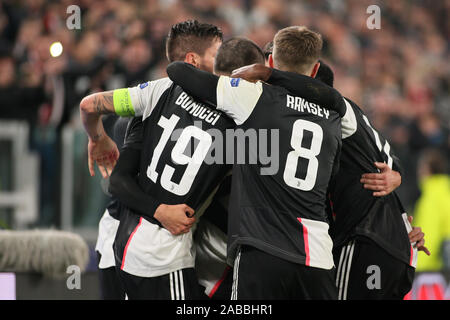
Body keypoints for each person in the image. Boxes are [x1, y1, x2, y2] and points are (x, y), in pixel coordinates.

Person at [166, 26, 353, 300]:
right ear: (314, 72)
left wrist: (261, 76)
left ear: (271, 61)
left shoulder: (254, 97)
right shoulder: (337, 117)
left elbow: (178, 71)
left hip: (263, 250)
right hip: (317, 258)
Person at [232, 60, 429, 300]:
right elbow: (392, 162)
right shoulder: (357, 122)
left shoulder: (336, 112)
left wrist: (270, 74)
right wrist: (397, 180)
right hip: (395, 245)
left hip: (364, 242)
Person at [413, 149, 450, 271]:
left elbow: (428, 236)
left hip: (434, 272)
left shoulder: (431, 197)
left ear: (427, 170)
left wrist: (416, 269)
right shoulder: (445, 191)